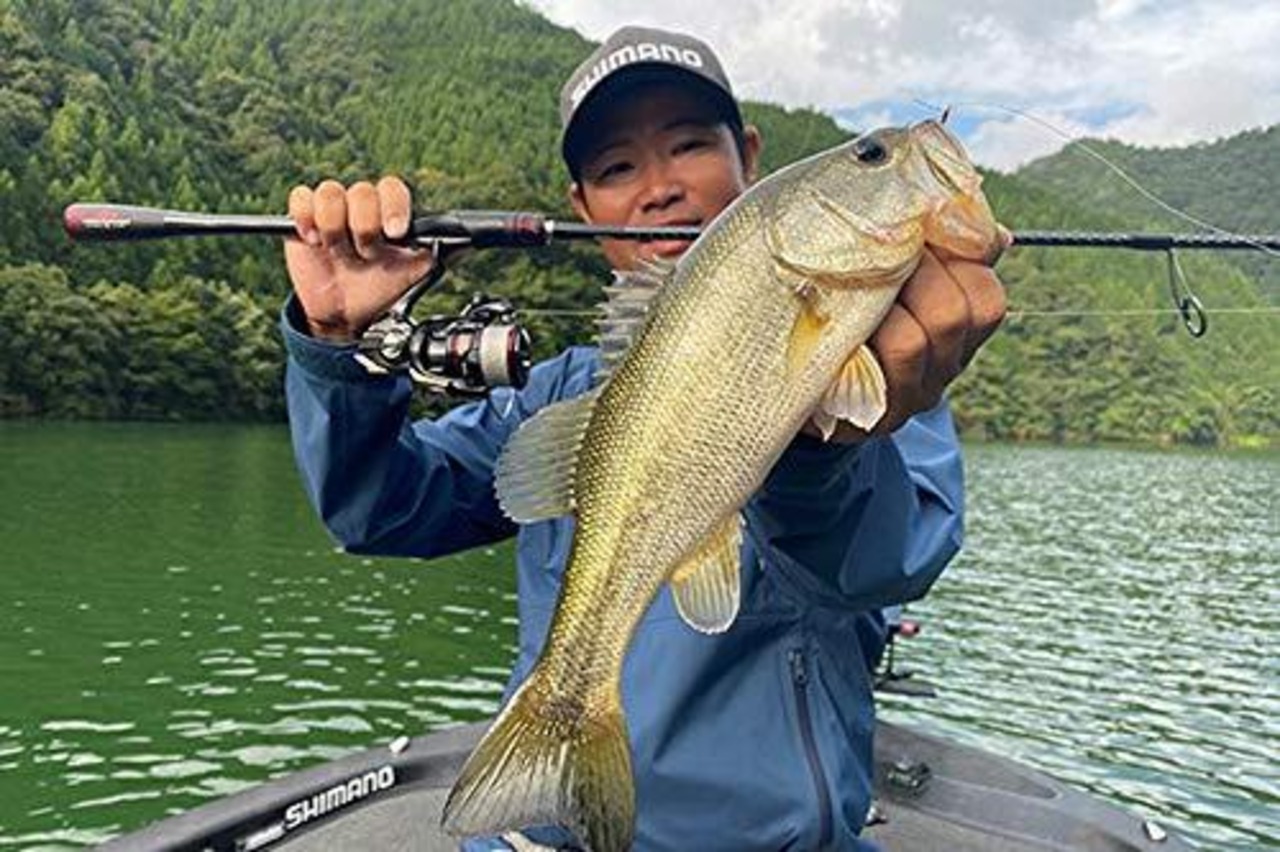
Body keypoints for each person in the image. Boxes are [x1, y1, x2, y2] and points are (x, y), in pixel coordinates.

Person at [281, 25, 1006, 852]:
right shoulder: (557, 396)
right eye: (617, 168)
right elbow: (379, 509)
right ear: (582, 208)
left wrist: (824, 450)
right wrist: (338, 352)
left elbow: (892, 564)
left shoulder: (890, 376)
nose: (659, 187)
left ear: (750, 158)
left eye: (690, 144)